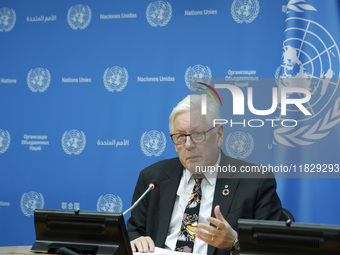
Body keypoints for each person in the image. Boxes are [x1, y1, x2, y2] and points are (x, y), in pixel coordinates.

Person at [127, 94, 282, 255]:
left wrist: (236, 243)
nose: (188, 145)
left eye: (198, 134)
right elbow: (134, 230)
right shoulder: (153, 178)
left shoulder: (255, 181)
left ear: (219, 135)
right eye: (180, 136)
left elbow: (272, 247)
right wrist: (136, 241)